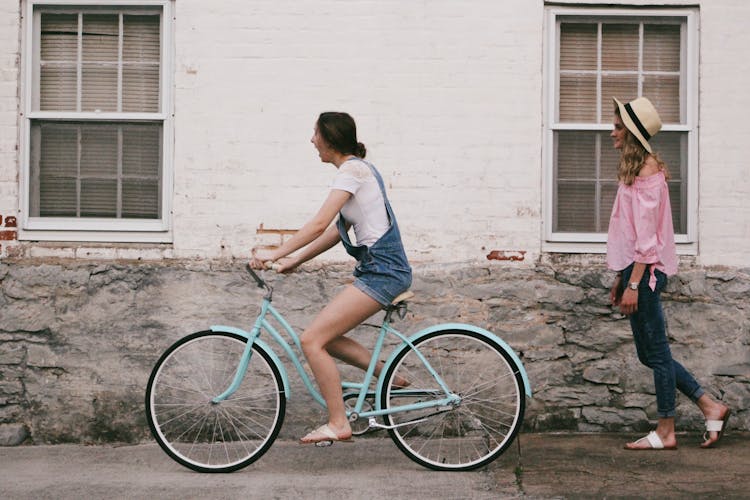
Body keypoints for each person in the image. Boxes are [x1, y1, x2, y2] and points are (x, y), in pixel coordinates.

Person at [250, 112, 412, 444]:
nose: (312, 141)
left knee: (311, 340)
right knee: (328, 338)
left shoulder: (353, 171)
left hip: (384, 273)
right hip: (378, 270)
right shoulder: (357, 172)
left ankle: (338, 423)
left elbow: (317, 224)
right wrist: (294, 260)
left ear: (330, 138)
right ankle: (388, 374)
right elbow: (337, 232)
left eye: (315, 134)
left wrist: (274, 253)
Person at [607, 96, 730, 450]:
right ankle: (710, 405)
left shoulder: (646, 173)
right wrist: (621, 277)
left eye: (618, 127)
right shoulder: (635, 170)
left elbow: (647, 240)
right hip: (635, 270)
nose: (611, 132)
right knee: (650, 354)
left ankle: (666, 431)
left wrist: (633, 282)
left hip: (645, 273)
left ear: (631, 133)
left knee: (657, 353)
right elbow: (630, 233)